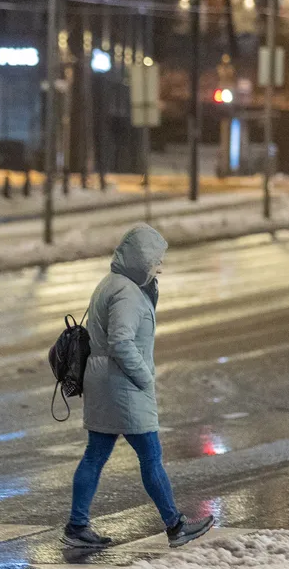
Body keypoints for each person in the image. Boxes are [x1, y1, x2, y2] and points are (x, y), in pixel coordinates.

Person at [64, 224, 214, 550]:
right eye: (155, 260)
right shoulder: (127, 293)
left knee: (95, 455)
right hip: (123, 385)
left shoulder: (114, 283)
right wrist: (145, 378)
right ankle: (175, 525)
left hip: (104, 380)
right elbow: (121, 342)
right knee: (151, 456)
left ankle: (76, 525)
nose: (159, 266)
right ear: (140, 259)